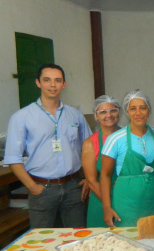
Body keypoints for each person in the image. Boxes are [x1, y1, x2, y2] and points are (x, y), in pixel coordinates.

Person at [5, 64, 91, 228]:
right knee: (41, 240)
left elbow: (89, 148)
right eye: (47, 80)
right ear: (38, 83)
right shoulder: (21, 117)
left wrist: (89, 178)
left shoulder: (75, 115)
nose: (53, 85)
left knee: (77, 238)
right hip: (42, 189)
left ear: (64, 84)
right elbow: (12, 158)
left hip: (73, 186)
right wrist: (32, 186)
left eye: (57, 80)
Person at [100, 91, 154, 227]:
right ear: (127, 111)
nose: (138, 113)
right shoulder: (115, 139)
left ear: (149, 110)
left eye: (143, 108)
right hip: (126, 206)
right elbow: (105, 175)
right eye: (133, 108)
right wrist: (106, 207)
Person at [82, 95, 121, 227]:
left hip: (126, 200)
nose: (108, 115)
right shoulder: (90, 144)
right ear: (96, 116)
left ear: (119, 112)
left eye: (113, 110)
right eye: (103, 112)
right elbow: (92, 181)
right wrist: (109, 204)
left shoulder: (128, 136)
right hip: (101, 202)